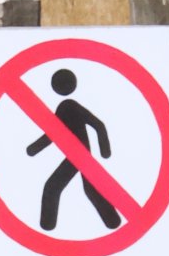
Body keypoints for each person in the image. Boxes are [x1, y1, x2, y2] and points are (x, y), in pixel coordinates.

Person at [26, 69, 122, 232]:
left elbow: (97, 125)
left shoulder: (67, 106)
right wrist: (33, 149)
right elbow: (54, 133)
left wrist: (105, 150)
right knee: (88, 189)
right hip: (79, 156)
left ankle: (47, 226)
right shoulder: (66, 107)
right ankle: (113, 222)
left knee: (53, 186)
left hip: (79, 156)